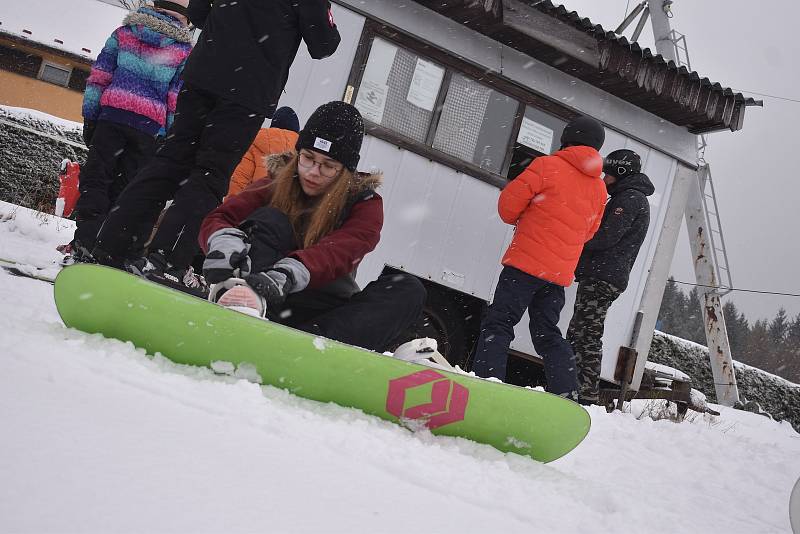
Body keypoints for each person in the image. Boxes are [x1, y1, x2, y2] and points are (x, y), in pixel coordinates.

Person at [91, 0, 341, 287]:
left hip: (203, 73)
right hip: (248, 89)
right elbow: (323, 43)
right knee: (210, 174)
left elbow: (197, 11)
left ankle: (111, 244)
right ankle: (166, 261)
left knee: (170, 160)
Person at [199, 101, 426, 353]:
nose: (313, 172)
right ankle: (243, 306)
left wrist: (291, 272)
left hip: (323, 310)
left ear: (345, 171)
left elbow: (343, 250)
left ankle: (311, 348)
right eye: (307, 158)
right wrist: (223, 242)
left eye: (328, 165)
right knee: (271, 219)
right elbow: (221, 217)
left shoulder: (365, 202)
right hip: (264, 296)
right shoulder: (277, 182)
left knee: (408, 289)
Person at [471, 116, 608, 400]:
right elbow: (589, 233)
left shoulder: (547, 166)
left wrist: (529, 218)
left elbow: (508, 207)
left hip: (524, 265)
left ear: (567, 138)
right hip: (557, 275)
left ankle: (488, 381)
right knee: (547, 332)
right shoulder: (599, 188)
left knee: (500, 323)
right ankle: (567, 391)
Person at [68, 0, 193, 262]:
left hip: (111, 118)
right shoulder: (183, 52)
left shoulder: (123, 34)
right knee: (126, 191)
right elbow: (175, 99)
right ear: (183, 18)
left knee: (96, 180)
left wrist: (91, 117)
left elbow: (99, 77)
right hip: (148, 130)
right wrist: (166, 134)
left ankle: (85, 241)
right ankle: (106, 249)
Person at [567, 149, 654, 405]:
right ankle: (572, 388)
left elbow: (606, 236)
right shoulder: (630, 197)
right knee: (579, 332)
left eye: (608, 174)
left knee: (586, 335)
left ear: (621, 172)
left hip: (602, 277)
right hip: (604, 276)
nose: (604, 179)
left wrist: (574, 237)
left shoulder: (629, 199)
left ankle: (587, 395)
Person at [227, 106, 301, 198]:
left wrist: (230, 205)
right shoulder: (302, 154)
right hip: (283, 208)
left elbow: (239, 180)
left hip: (253, 206)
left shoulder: (256, 142)